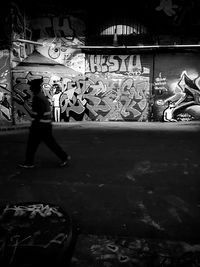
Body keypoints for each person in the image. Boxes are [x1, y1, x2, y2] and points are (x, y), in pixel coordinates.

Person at [19, 78, 71, 168]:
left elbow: (38, 114)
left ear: (34, 88)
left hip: (40, 126)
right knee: (49, 143)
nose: (30, 89)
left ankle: (29, 162)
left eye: (31, 87)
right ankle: (64, 157)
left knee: (32, 145)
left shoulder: (37, 98)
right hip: (45, 125)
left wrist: (33, 124)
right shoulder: (41, 96)